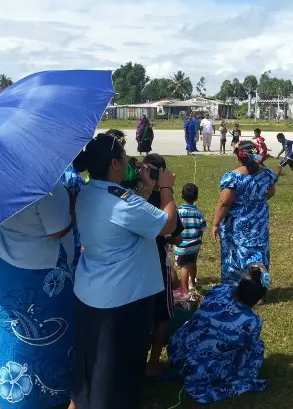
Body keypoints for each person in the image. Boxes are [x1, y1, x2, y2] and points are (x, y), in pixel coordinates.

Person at [69, 134, 178, 409]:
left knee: (90, 362)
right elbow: (166, 224)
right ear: (116, 164)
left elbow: (126, 221)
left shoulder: (89, 191)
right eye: (125, 155)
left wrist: (144, 191)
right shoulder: (122, 201)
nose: (130, 160)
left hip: (93, 292)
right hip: (122, 299)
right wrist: (166, 189)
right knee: (114, 373)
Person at [0, 182, 77, 409]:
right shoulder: (49, 187)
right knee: (39, 337)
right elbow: (57, 229)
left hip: (4, 263)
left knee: (6, 330)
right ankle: (35, 396)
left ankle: (2, 391)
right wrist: (73, 210)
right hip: (40, 273)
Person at [167, 266, 270, 404]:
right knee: (256, 346)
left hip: (176, 350)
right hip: (199, 373)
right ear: (257, 299)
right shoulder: (252, 322)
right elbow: (249, 345)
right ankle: (243, 372)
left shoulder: (219, 291)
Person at [142, 154, 185, 378]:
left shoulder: (133, 194)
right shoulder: (163, 198)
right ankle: (153, 363)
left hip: (133, 266)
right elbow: (176, 236)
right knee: (162, 315)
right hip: (156, 263)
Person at [213, 142, 278, 286]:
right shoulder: (267, 174)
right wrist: (255, 203)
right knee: (258, 253)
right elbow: (271, 193)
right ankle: (259, 289)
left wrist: (216, 223)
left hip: (237, 224)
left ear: (239, 157)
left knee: (235, 253)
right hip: (260, 223)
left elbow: (224, 202)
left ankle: (234, 287)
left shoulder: (233, 177)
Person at [176, 183, 207, 291]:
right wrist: (199, 239)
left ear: (182, 196)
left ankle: (185, 290)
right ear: (196, 197)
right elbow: (202, 229)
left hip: (181, 245)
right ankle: (192, 283)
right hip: (195, 244)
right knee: (193, 262)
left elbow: (174, 229)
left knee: (184, 267)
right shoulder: (199, 212)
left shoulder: (178, 212)